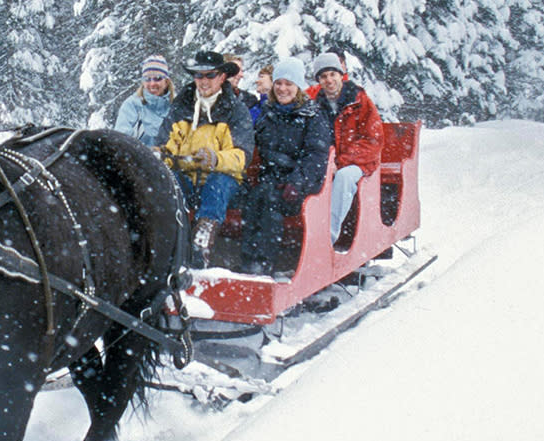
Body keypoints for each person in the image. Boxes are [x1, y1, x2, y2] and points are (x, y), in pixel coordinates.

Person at [154, 50, 255, 267]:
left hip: (226, 186)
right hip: (188, 181)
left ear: (222, 77)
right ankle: (167, 243)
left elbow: (242, 156)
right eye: (198, 76)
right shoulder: (181, 107)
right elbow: (167, 146)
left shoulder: (236, 110)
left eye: (210, 75)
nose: (203, 81)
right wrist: (161, 156)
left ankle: (201, 242)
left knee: (218, 182)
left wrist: (215, 160)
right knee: (165, 182)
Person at [240, 56, 333, 276]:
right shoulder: (268, 114)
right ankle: (246, 261)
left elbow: (315, 155)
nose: (283, 89)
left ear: (298, 86)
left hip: (301, 184)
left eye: (288, 84)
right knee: (254, 200)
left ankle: (263, 263)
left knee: (271, 202)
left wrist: (296, 182)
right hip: (271, 178)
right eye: (279, 83)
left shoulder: (312, 116)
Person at [311, 51, 383, 242]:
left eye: (332, 74)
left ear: (341, 75)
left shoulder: (359, 101)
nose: (329, 80)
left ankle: (328, 237)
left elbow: (373, 140)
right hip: (327, 160)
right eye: (324, 76)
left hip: (358, 162)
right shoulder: (316, 105)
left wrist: (341, 161)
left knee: (343, 178)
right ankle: (305, 232)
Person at [114, 55, 175, 145]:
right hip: (139, 158)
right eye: (147, 79)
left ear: (166, 82)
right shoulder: (132, 105)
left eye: (157, 78)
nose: (152, 83)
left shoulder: (176, 106)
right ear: (143, 82)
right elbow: (121, 141)